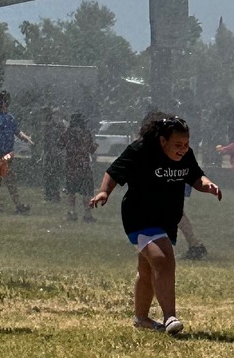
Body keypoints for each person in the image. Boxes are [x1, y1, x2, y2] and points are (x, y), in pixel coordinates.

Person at [90, 110, 222, 335]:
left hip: (167, 218)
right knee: (163, 260)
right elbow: (113, 172)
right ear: (163, 140)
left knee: (147, 269)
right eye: (177, 144)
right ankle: (170, 317)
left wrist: (207, 184)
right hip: (139, 216)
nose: (183, 149)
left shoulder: (185, 154)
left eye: (186, 143)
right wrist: (104, 192)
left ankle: (141, 318)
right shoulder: (141, 151)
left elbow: (195, 176)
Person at [0, 91, 29, 212]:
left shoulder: (10, 117)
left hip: (7, 154)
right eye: (3, 100)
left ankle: (14, 205)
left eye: (7, 100)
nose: (6, 102)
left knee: (9, 179)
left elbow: (17, 131)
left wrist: (26, 138)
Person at [63, 112, 98, 221]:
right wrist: (95, 147)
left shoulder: (67, 133)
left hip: (71, 166)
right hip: (84, 166)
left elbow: (60, 145)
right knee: (86, 191)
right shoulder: (86, 133)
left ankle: (72, 212)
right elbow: (90, 150)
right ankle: (87, 215)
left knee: (71, 190)